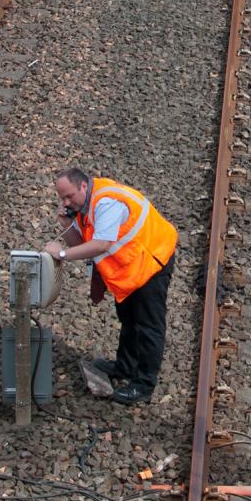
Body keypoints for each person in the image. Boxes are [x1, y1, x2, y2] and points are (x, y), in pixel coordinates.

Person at [44, 168, 177, 404]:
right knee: (128, 319)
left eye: (69, 196)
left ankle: (143, 385)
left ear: (83, 186)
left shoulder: (106, 202)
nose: (66, 201)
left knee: (148, 326)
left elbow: (100, 245)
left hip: (152, 261)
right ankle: (125, 367)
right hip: (131, 267)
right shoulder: (86, 205)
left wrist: (62, 253)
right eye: (62, 198)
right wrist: (65, 221)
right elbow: (84, 242)